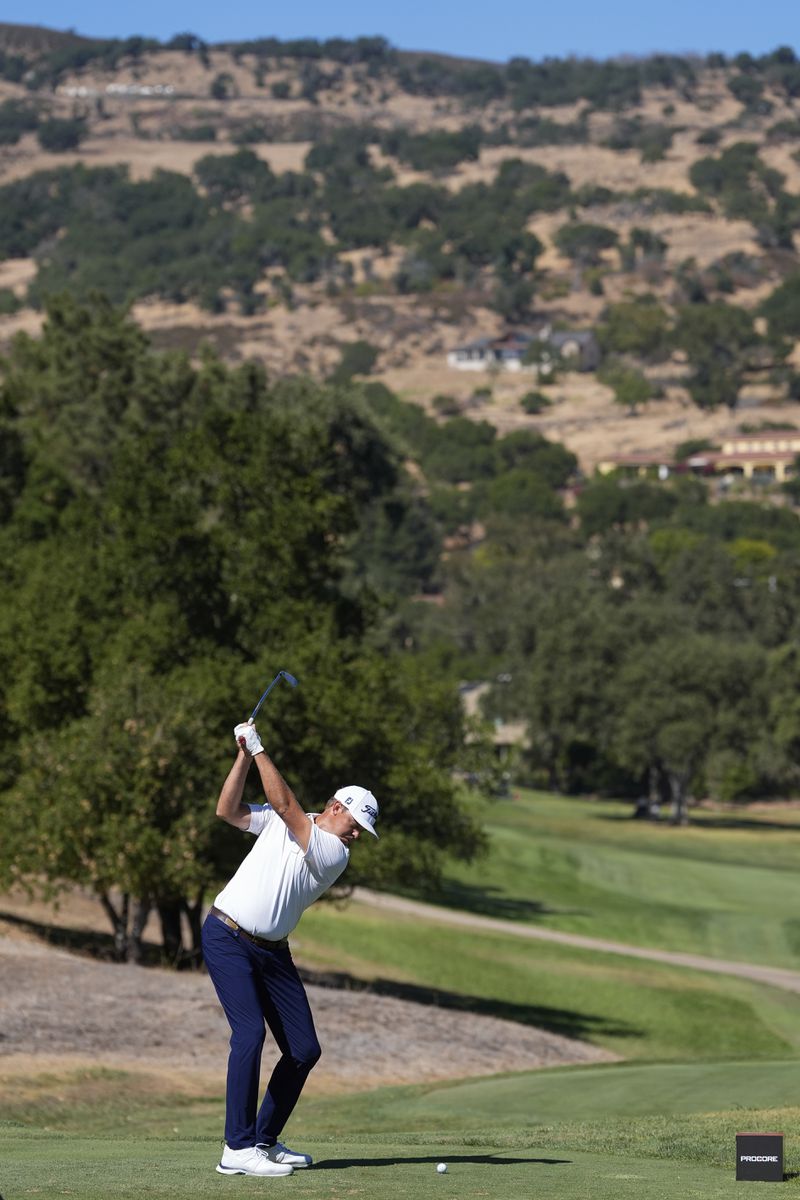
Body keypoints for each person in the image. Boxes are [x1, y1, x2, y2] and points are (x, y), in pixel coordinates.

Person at [201, 720, 379, 1178]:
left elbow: (284, 804)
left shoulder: (332, 853)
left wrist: (259, 746)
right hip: (227, 936)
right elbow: (228, 810)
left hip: (272, 952)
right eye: (356, 823)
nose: (357, 835)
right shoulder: (286, 826)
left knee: (303, 1049)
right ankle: (236, 1148)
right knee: (250, 1034)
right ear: (336, 806)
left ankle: (263, 1139)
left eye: (362, 831)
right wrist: (244, 755)